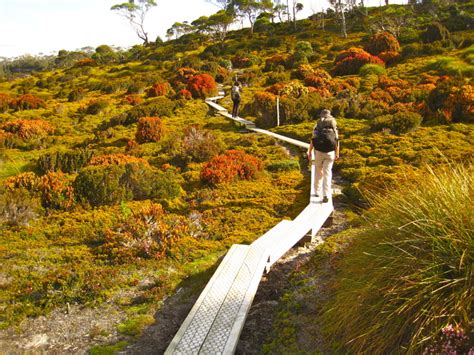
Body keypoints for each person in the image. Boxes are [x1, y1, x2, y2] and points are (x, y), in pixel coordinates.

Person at [307, 109, 339, 203]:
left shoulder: (317, 125)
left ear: (321, 115)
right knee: (327, 173)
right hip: (330, 153)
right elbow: (336, 141)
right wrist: (337, 153)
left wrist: (309, 151)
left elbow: (313, 140)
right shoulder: (333, 125)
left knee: (318, 171)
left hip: (318, 152)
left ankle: (317, 191)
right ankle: (326, 194)